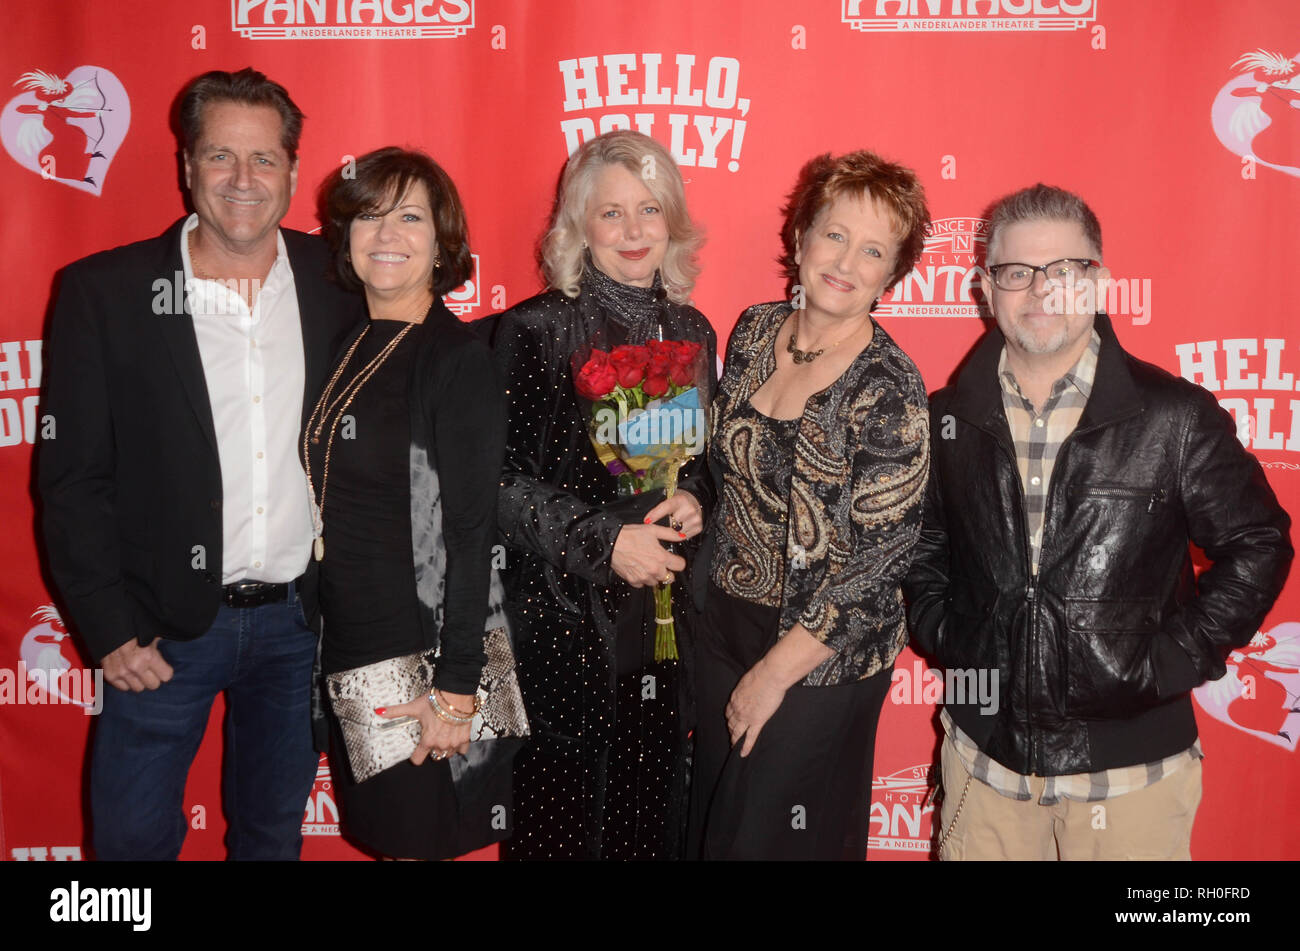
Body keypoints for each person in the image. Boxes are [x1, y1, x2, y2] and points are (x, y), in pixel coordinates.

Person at [904, 183, 1293, 860]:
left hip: (1131, 780)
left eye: (1065, 270)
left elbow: (1258, 542)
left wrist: (1170, 657)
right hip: (983, 765)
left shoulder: (1176, 417)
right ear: (984, 289)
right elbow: (925, 545)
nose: (1040, 292)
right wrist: (947, 631)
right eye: (1017, 272)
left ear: (1100, 282)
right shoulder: (945, 418)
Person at [38, 68, 363, 860]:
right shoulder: (104, 293)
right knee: (127, 848)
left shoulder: (341, 283)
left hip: (299, 624)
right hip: (159, 633)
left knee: (270, 837)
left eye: (262, 159)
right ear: (186, 165)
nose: (242, 181)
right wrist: (110, 629)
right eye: (220, 156)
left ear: (292, 168)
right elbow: (70, 480)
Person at [688, 150, 931, 860]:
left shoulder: (889, 390)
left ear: (892, 274)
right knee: (709, 823)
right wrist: (690, 498)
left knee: (762, 841)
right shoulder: (755, 330)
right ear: (800, 238)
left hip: (819, 655)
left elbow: (877, 570)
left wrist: (772, 675)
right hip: (722, 625)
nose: (846, 260)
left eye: (874, 249)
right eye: (834, 234)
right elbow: (725, 467)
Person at [491, 130, 716, 859]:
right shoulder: (536, 330)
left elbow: (704, 462)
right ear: (579, 224)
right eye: (610, 213)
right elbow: (493, 484)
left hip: (663, 632)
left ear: (672, 222)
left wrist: (697, 499)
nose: (632, 231)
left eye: (648, 210)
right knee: (558, 831)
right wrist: (606, 542)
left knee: (647, 826)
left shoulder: (692, 329)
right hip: (562, 625)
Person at [311, 147, 513, 860]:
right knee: (389, 840)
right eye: (369, 215)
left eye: (410, 216)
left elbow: (471, 532)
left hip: (422, 654)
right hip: (350, 643)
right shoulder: (348, 342)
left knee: (416, 841)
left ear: (441, 242)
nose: (387, 232)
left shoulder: (453, 358)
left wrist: (459, 690)